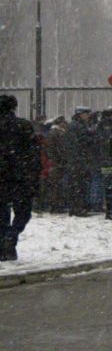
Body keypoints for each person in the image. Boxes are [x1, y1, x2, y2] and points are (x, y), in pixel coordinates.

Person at [1, 94, 40, 262]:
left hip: (3, 176)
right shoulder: (23, 126)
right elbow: (34, 153)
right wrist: (33, 174)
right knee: (23, 212)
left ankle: (4, 246)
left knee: (2, 213)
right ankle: (11, 237)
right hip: (20, 176)